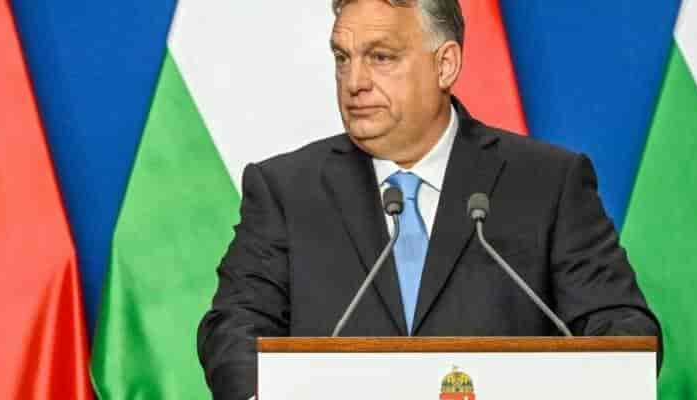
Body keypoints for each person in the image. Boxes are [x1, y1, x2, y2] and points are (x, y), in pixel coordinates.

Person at [197, 1, 661, 399]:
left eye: (380, 57)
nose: (354, 81)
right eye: (342, 57)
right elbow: (235, 327)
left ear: (445, 65)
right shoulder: (285, 190)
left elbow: (621, 327)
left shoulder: (547, 184)